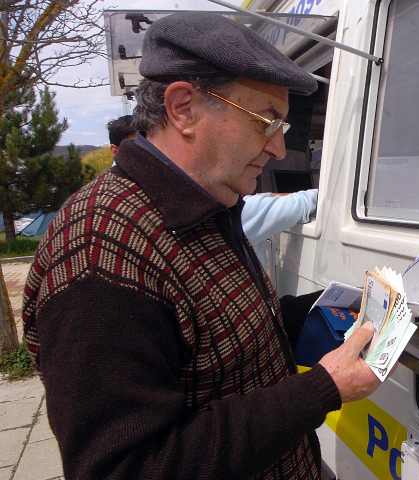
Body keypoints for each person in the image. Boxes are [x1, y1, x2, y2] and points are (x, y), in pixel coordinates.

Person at [22, 12, 379, 480]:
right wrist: (322, 390)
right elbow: (129, 468)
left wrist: (320, 309)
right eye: (266, 122)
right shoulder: (98, 255)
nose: (276, 149)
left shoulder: (210, 204)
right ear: (183, 108)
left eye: (283, 129)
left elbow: (212, 342)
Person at [242, 188, 319, 268]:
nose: (258, 174)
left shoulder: (242, 205)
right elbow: (306, 201)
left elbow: (267, 197)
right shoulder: (245, 209)